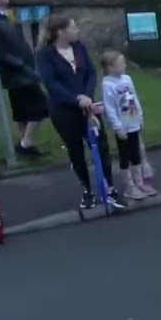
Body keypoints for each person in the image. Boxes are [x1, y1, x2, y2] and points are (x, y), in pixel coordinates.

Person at [36, 16, 126, 210]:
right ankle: (87, 189)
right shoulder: (45, 55)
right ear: (60, 32)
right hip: (64, 110)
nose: (77, 31)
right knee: (75, 149)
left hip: (89, 107)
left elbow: (91, 73)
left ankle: (110, 188)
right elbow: (51, 84)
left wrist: (87, 95)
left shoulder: (79, 48)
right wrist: (76, 98)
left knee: (101, 146)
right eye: (73, 27)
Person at [0, 0, 47, 158]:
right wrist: (21, 65)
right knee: (41, 105)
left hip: (21, 68)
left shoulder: (4, 17)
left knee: (23, 110)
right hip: (16, 71)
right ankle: (25, 143)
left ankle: (25, 143)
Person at [100, 51, 157, 200]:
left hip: (133, 123)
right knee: (125, 156)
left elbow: (134, 98)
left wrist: (140, 117)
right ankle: (129, 186)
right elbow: (110, 108)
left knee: (136, 154)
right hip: (123, 127)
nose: (124, 66)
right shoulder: (107, 85)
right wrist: (117, 127)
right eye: (121, 64)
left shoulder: (127, 79)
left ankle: (139, 183)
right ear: (110, 67)